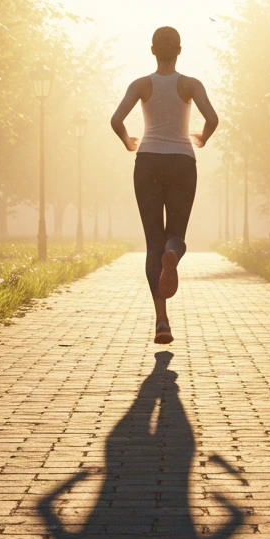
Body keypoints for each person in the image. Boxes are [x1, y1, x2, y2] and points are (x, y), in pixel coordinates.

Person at [110, 26, 219, 344]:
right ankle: (173, 252)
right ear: (180, 51)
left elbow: (116, 120)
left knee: (152, 242)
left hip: (147, 162)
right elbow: (212, 119)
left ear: (153, 50)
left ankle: (162, 322)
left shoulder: (142, 85)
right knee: (176, 235)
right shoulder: (190, 84)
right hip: (181, 162)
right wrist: (202, 138)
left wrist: (128, 141)